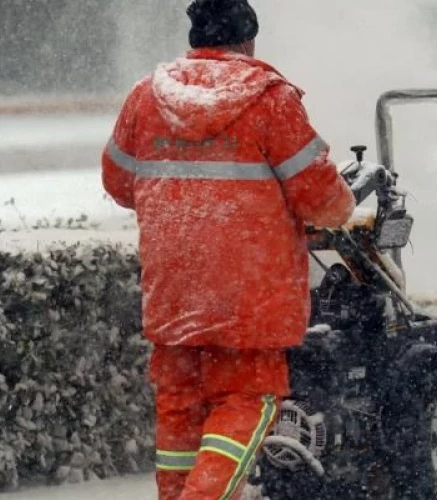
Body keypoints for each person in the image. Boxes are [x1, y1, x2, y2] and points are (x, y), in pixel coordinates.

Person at [101, 0, 356, 498]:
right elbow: (322, 199)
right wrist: (343, 209)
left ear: (195, 38)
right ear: (247, 41)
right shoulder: (270, 100)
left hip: (173, 291)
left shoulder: (144, 98)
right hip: (247, 297)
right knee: (246, 402)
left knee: (181, 414)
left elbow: (118, 181)